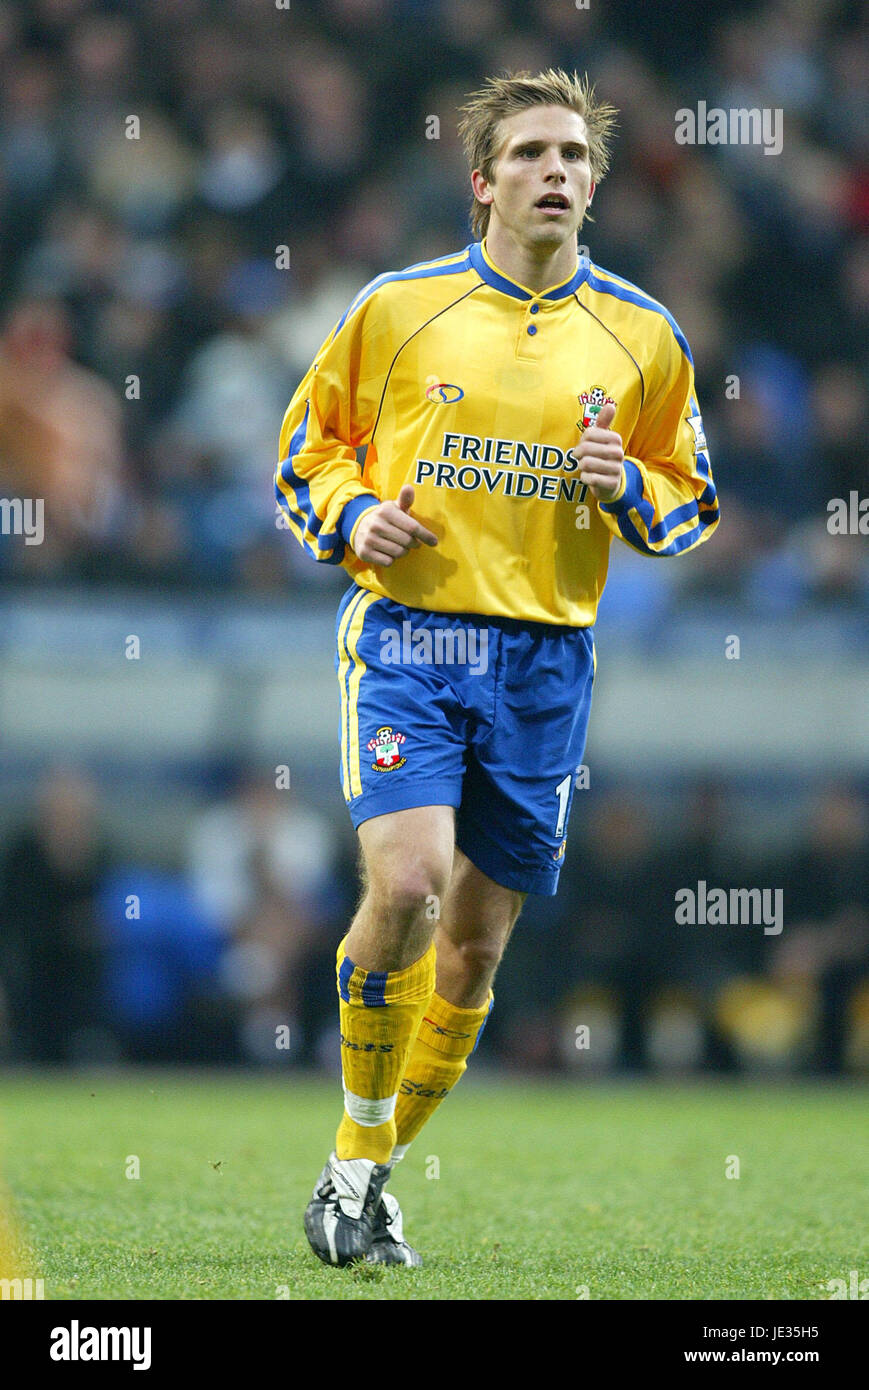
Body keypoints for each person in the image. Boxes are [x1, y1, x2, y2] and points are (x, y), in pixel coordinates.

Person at [274, 68, 719, 1267]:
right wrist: (349, 516)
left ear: (594, 184)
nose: (556, 173)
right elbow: (305, 450)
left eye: (574, 156)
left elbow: (692, 499)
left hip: (545, 662)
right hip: (414, 638)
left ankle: (355, 1172)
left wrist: (623, 483)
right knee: (409, 881)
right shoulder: (397, 308)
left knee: (472, 949)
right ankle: (362, 1159)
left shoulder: (641, 336)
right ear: (482, 180)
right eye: (529, 153)